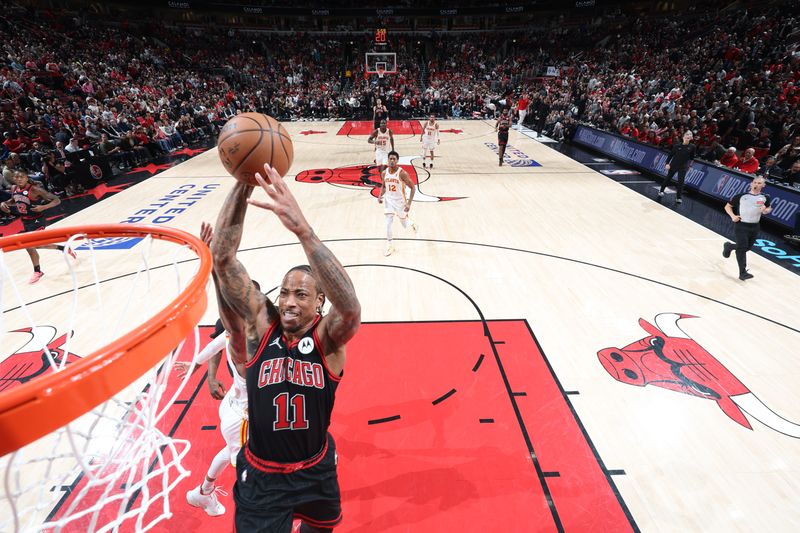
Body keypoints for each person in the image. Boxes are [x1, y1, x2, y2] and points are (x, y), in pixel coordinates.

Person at [211, 163, 361, 532]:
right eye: (284, 292)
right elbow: (223, 259)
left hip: (316, 467)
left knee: (320, 529)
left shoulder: (328, 340)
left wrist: (303, 231)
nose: (289, 301)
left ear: (319, 302)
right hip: (263, 475)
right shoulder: (261, 326)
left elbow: (351, 309)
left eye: (301, 294)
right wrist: (243, 182)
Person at [181, 223, 260, 518]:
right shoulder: (244, 345)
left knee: (228, 453)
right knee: (254, 479)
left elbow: (210, 348)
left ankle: (202, 493)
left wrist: (194, 365)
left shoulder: (232, 336)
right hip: (243, 417)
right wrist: (213, 266)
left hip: (236, 409)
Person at [0, 170, 76, 283]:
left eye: (21, 177)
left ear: (26, 178)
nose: (19, 179)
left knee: (29, 245)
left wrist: (43, 207)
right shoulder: (14, 188)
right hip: (25, 221)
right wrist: (4, 203)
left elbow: (57, 200)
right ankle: (63, 248)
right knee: (37, 245)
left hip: (37, 220)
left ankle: (38, 271)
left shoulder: (35, 190)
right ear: (13, 178)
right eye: (16, 177)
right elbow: (14, 200)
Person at [722, 176, 772, 281]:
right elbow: (727, 206)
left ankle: (729, 246)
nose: (756, 184)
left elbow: (768, 208)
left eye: (759, 183)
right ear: (751, 183)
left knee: (747, 248)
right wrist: (733, 216)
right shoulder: (741, 196)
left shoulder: (765, 197)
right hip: (741, 225)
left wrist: (766, 210)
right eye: (755, 182)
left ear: (763, 185)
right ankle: (743, 273)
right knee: (742, 248)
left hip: (755, 226)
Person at [379, 151, 417, 257]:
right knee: (388, 223)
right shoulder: (384, 173)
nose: (391, 161)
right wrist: (380, 196)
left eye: (394, 159)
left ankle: (411, 223)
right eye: (390, 159)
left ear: (397, 161)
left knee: (404, 224)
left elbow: (413, 187)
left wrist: (409, 204)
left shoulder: (402, 173)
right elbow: (384, 186)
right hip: (389, 201)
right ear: (388, 160)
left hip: (400, 201)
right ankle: (390, 245)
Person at [658, 130, 697, 204]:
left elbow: (692, 158)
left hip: (683, 167)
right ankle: (661, 191)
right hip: (673, 165)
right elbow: (670, 155)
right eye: (687, 134)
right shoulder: (677, 146)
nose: (688, 136)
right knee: (668, 178)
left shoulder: (692, 147)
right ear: (683, 137)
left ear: (691, 138)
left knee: (681, 182)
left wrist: (690, 166)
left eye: (690, 135)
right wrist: (667, 163)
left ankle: (678, 198)